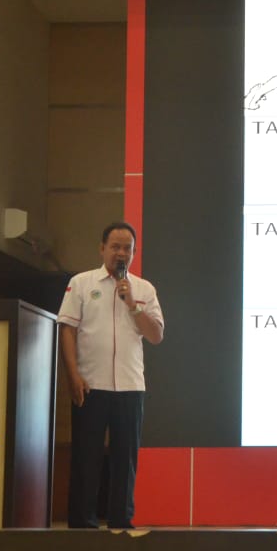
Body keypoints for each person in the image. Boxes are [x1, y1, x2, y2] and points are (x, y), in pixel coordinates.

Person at [57, 221, 164, 529]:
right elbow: (68, 329)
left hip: (130, 386)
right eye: (115, 247)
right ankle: (82, 524)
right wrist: (73, 375)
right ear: (102, 248)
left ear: (134, 253)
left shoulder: (144, 289)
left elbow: (156, 335)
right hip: (90, 384)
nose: (121, 253)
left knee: (125, 459)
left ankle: (121, 521)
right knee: (86, 457)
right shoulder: (81, 283)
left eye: (127, 248)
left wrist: (132, 304)